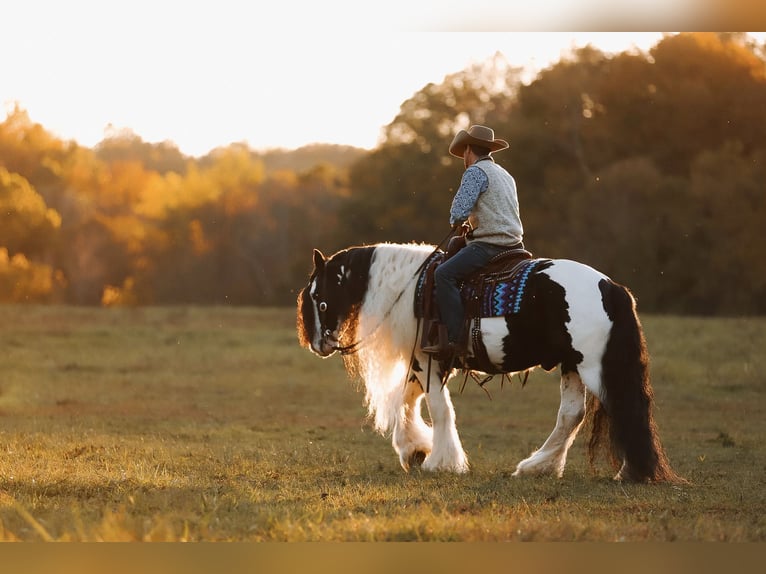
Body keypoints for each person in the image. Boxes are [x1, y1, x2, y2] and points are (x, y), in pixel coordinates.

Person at [423, 124, 524, 359]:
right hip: (515, 245)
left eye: (463, 153)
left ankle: (455, 340)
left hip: (489, 245)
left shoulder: (475, 172)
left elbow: (458, 211)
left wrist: (458, 222)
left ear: (468, 150)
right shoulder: (505, 174)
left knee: (444, 274)